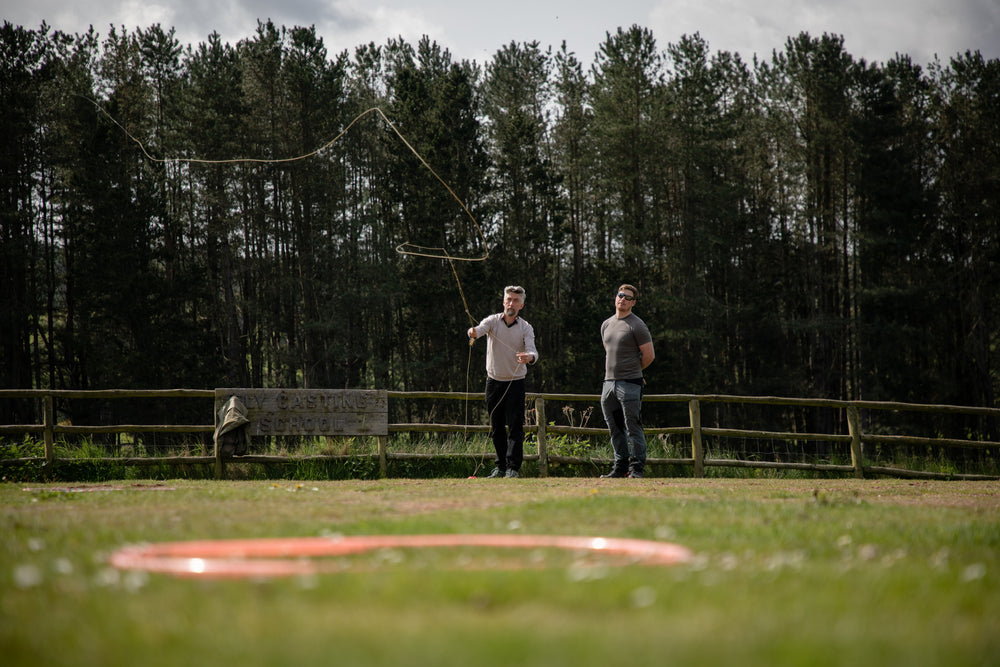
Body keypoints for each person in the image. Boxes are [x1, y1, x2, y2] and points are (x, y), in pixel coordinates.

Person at [467, 285, 538, 478]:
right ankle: (500, 467)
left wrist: (529, 357)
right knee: (496, 426)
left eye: (515, 300)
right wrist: (472, 332)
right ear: (503, 302)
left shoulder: (526, 327)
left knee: (516, 426)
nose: (511, 303)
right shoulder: (492, 321)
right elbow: (479, 330)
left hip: (516, 382)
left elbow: (533, 351)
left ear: (521, 305)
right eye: (508, 299)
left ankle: (513, 468)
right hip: (493, 382)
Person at [599, 284, 654, 478]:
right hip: (608, 384)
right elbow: (609, 351)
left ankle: (637, 469)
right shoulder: (606, 324)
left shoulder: (637, 325)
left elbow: (649, 355)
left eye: (627, 297)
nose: (622, 299)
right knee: (615, 428)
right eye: (620, 295)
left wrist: (634, 372)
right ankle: (620, 468)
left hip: (630, 384)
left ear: (633, 303)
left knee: (633, 427)